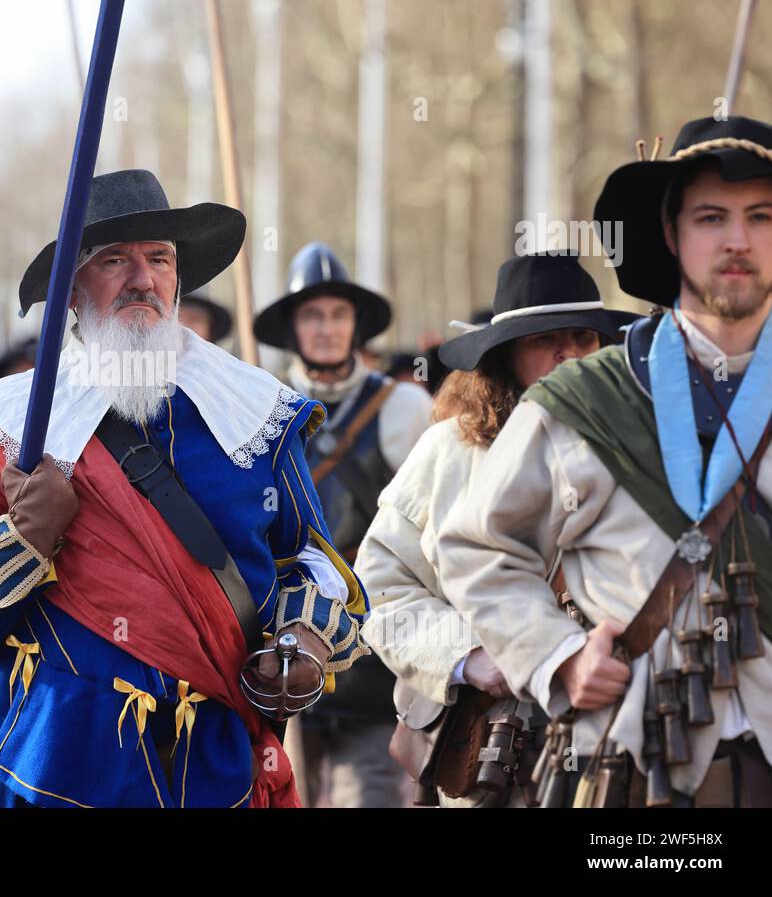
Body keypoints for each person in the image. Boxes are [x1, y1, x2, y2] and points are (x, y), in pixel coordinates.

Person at [0, 169, 368, 807]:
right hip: (55, 769)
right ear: (71, 288)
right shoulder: (7, 422)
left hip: (215, 770)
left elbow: (311, 559)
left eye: (159, 259)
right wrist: (24, 536)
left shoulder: (258, 411)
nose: (142, 278)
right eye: (114, 260)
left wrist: (302, 643)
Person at [439, 115, 772, 807]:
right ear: (672, 235)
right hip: (634, 774)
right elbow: (474, 550)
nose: (738, 240)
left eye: (762, 216)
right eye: (711, 217)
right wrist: (558, 657)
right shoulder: (583, 400)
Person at [357, 251, 636, 806]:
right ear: (506, 356)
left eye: (582, 336)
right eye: (545, 339)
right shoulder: (448, 451)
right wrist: (467, 656)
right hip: (489, 747)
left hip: (614, 740)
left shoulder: (639, 449)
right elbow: (378, 589)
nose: (569, 355)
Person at [251, 241, 433, 806]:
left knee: (370, 797)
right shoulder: (258, 408)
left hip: (373, 647)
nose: (326, 328)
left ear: (356, 325)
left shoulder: (405, 410)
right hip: (278, 644)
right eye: (312, 314)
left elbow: (429, 534)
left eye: (338, 314)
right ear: (293, 326)